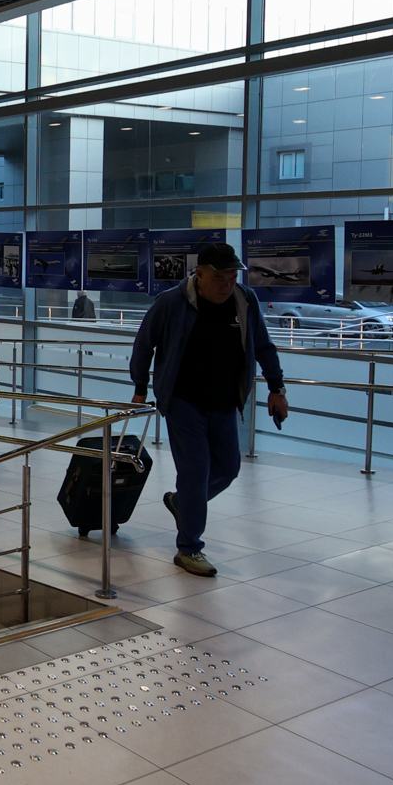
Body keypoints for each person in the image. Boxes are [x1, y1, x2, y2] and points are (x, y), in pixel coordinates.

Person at [130, 241, 288, 578]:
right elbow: (144, 343)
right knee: (196, 471)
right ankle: (188, 548)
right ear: (199, 274)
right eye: (219, 278)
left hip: (224, 402)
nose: (227, 285)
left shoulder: (245, 301)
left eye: (232, 277)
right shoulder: (171, 302)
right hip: (182, 402)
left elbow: (263, 346)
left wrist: (277, 389)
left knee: (228, 469)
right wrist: (140, 388)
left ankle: (182, 502)